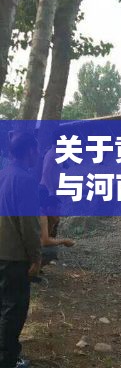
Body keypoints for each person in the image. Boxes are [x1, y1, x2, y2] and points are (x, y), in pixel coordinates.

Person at [0, 132, 41, 368]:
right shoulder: (25, 180)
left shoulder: (3, 174)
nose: (38, 154)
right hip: (14, 256)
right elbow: (29, 225)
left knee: (3, 307)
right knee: (13, 311)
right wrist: (35, 258)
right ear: (29, 151)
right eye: (36, 149)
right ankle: (7, 360)